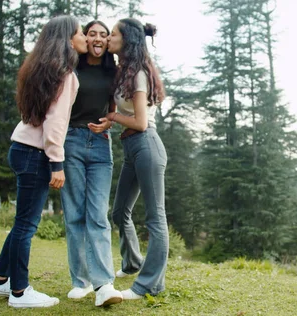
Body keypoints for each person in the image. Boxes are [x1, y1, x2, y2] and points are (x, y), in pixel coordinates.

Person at [0, 15, 87, 308]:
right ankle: (20, 293)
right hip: (36, 154)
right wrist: (57, 162)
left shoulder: (40, 68)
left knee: (21, 223)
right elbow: (56, 123)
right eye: (80, 32)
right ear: (69, 38)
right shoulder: (66, 74)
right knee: (27, 225)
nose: (83, 37)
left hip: (21, 148)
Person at [104, 18, 168, 300]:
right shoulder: (123, 71)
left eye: (113, 34)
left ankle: (148, 286)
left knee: (156, 218)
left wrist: (111, 117)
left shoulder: (139, 73)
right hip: (132, 148)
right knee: (119, 212)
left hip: (146, 145)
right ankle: (132, 263)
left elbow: (141, 122)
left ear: (126, 39)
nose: (108, 38)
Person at [60, 20, 123, 307]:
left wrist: (108, 123)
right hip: (70, 141)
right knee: (75, 214)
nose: (97, 39)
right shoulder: (71, 67)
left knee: (97, 214)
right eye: (92, 34)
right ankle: (80, 280)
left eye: (103, 35)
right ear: (85, 38)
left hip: (100, 146)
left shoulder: (114, 71)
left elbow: (114, 108)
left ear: (108, 40)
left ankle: (104, 284)